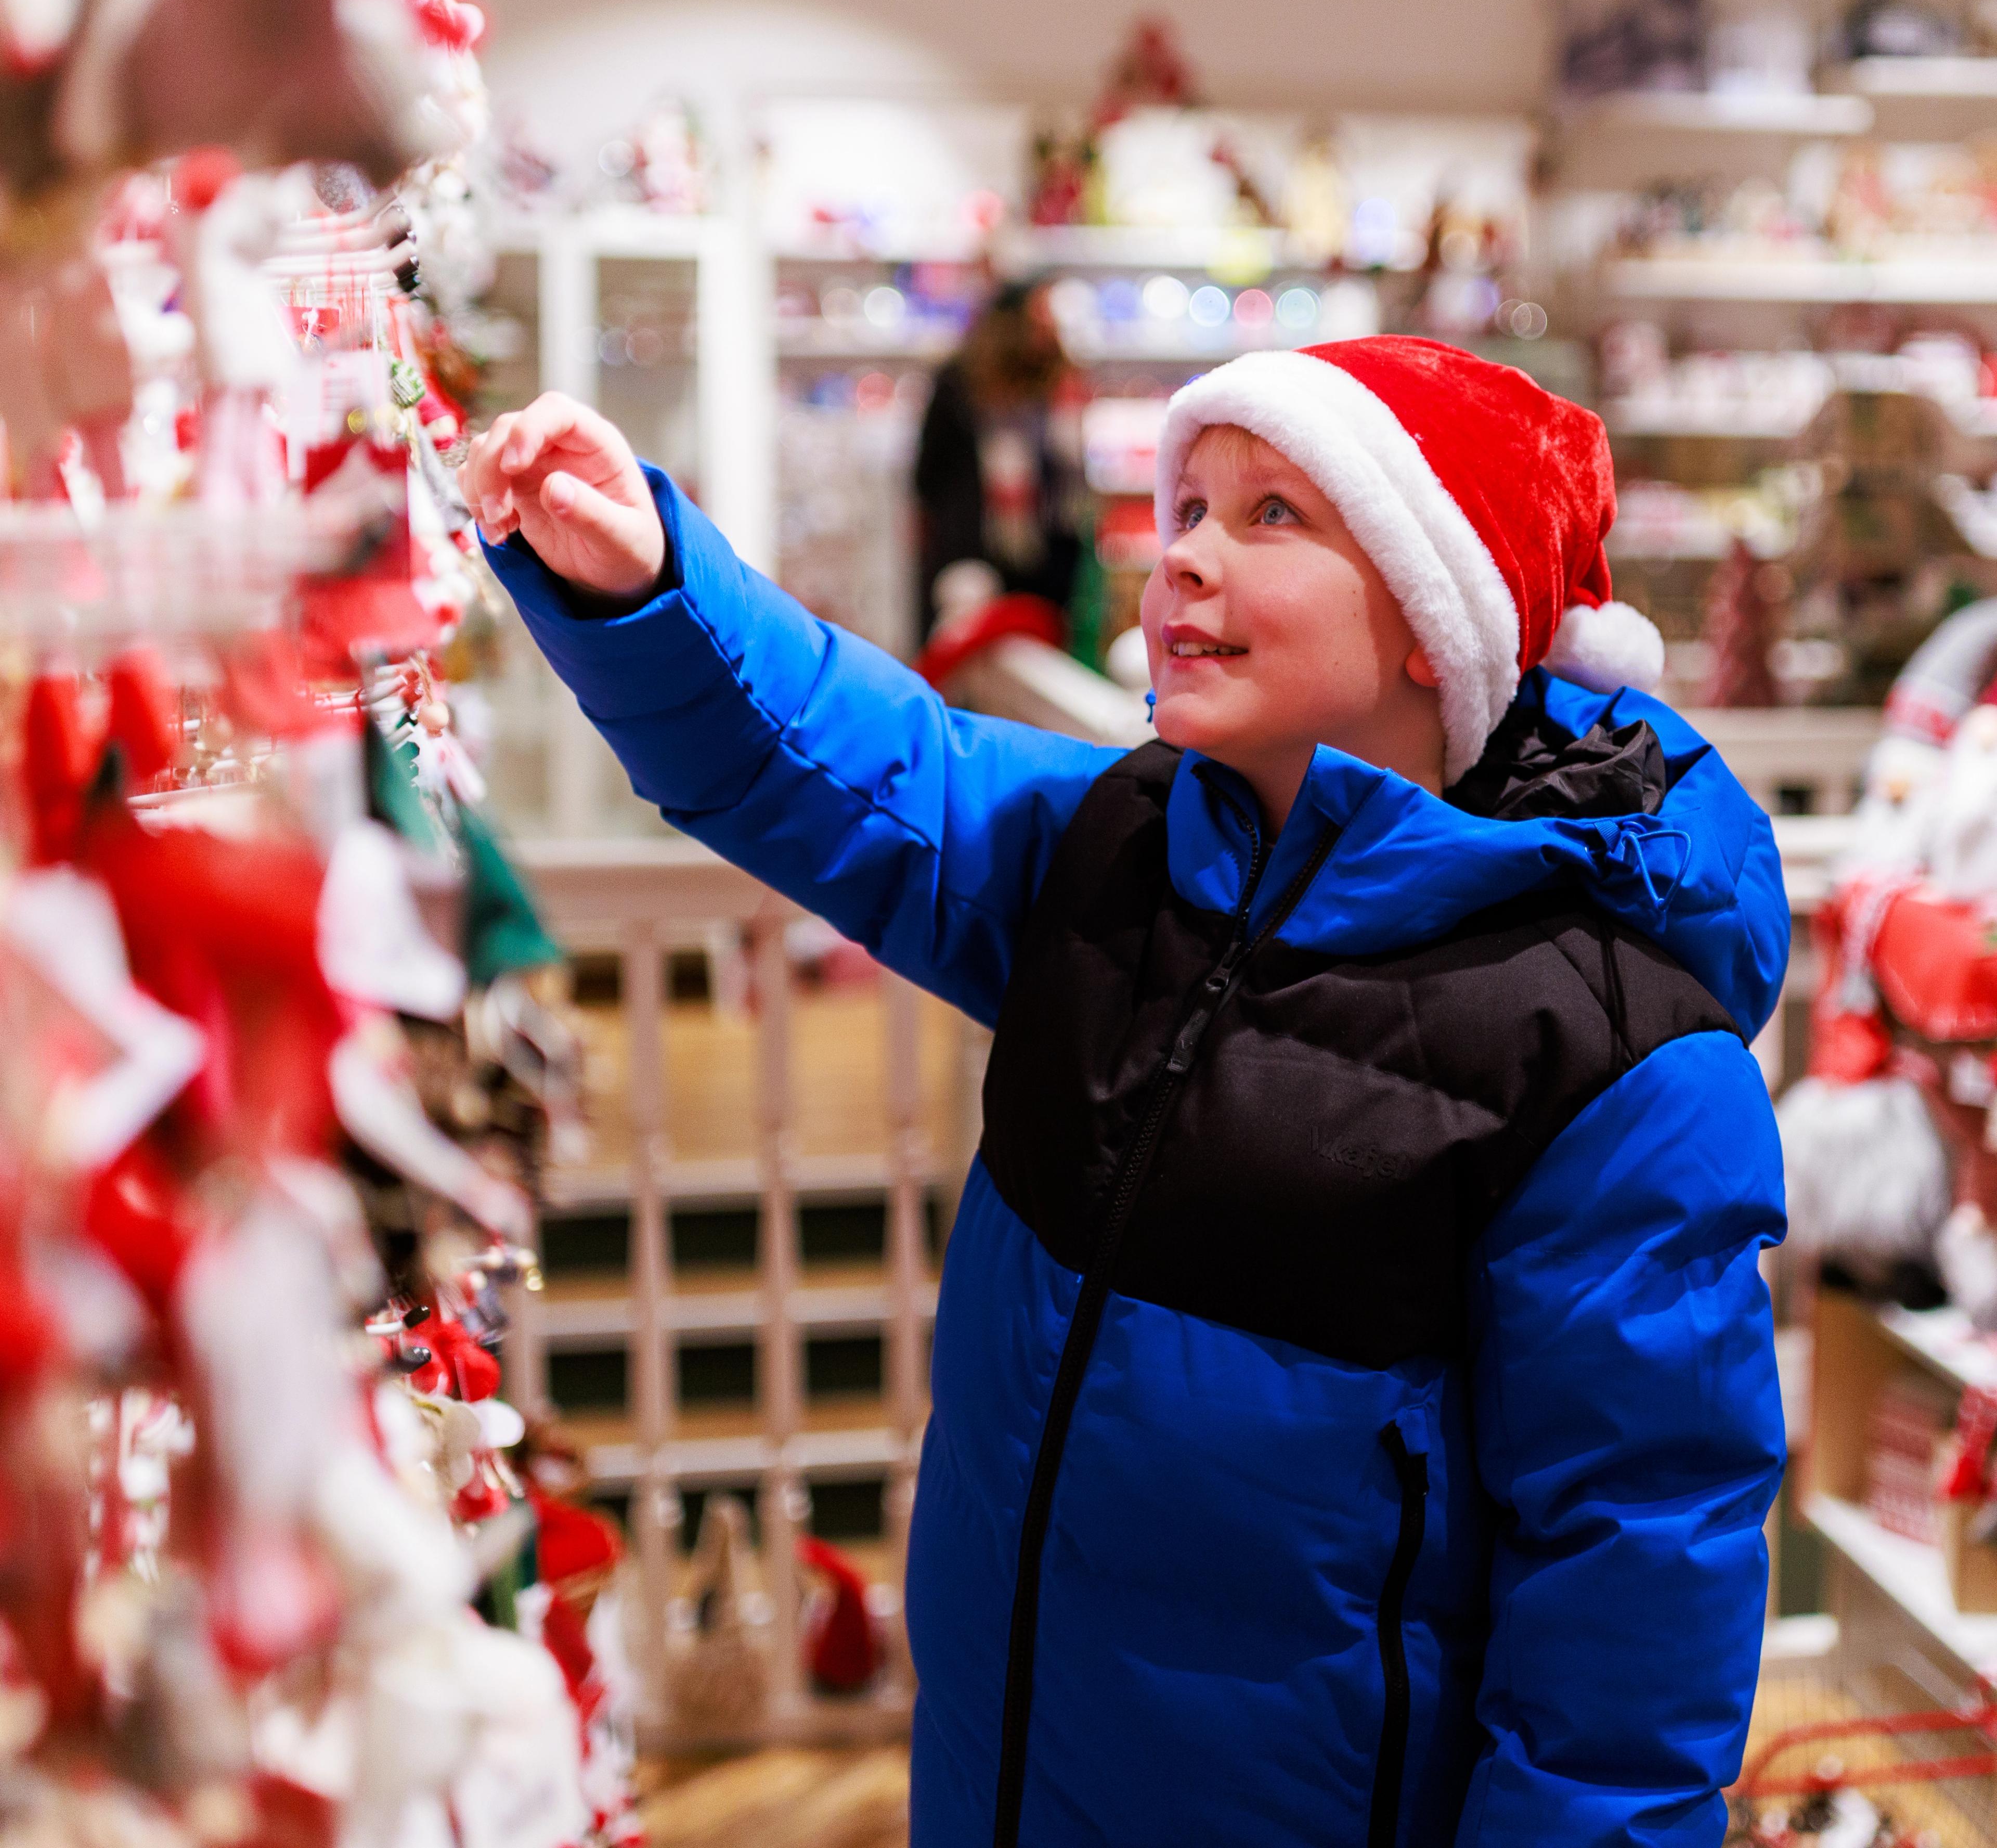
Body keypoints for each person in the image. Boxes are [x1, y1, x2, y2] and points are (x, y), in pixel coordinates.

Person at [462, 337, 1787, 1848]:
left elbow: (1628, 1626)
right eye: (1187, 507)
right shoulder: (1116, 848)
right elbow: (857, 764)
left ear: (1438, 617)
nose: (1183, 562)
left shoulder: (1609, 1061)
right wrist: (648, 588)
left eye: (1271, 514)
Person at [913, 280, 1084, 639]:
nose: (1049, 329)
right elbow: (928, 479)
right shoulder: (958, 385)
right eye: (1039, 319)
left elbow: (1069, 481)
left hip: (1042, 567)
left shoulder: (1057, 388)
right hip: (970, 562)